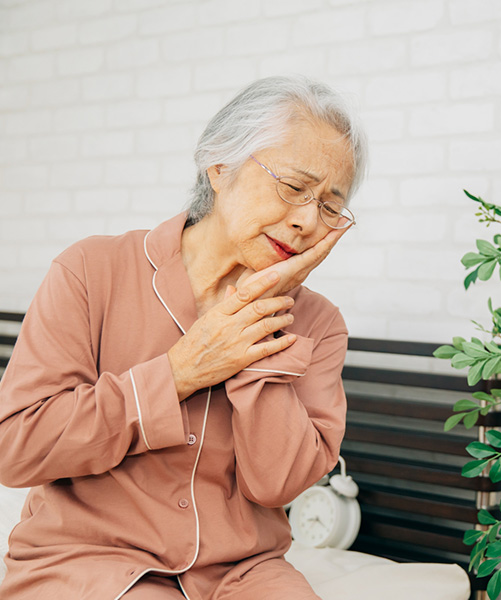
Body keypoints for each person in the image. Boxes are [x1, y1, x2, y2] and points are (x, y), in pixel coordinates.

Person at [0, 75, 367, 599]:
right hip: (90, 561)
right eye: (293, 188)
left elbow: (278, 485)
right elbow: (15, 446)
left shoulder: (320, 325)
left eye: (331, 206)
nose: (308, 221)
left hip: (243, 571)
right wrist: (175, 375)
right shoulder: (90, 270)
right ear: (220, 167)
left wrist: (258, 319)